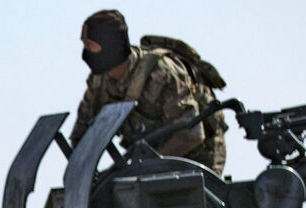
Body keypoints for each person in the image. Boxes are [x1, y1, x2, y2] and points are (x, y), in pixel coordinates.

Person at [68, 10, 227, 174]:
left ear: (111, 46)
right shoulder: (99, 81)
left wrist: (144, 166)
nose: (85, 53)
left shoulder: (162, 74)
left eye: (90, 46)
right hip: (147, 164)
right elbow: (82, 133)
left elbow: (191, 136)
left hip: (198, 159)